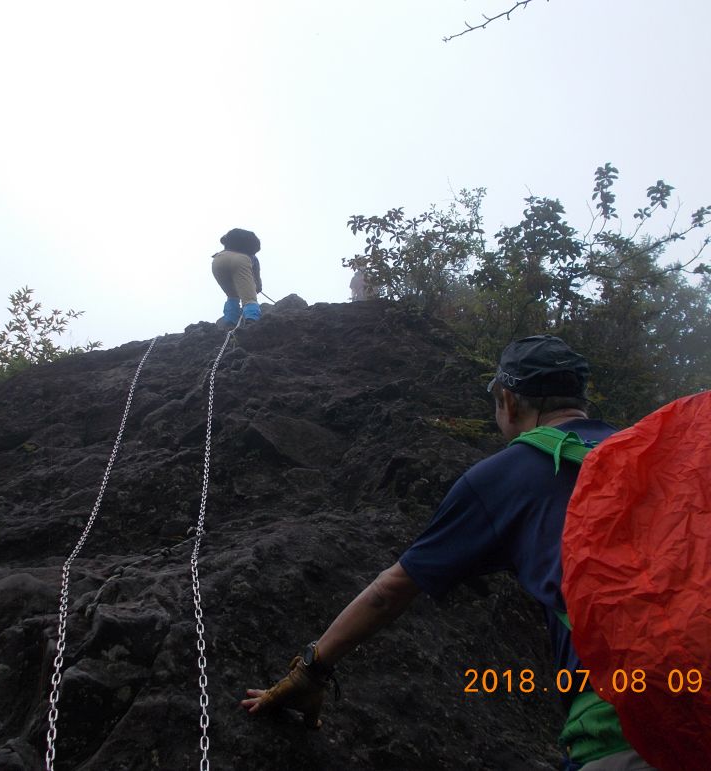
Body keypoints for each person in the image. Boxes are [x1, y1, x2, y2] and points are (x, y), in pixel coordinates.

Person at [241, 335, 655, 770]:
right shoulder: (649, 453)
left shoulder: (505, 476)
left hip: (629, 725)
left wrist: (311, 670)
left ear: (509, 401)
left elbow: (392, 590)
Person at [212, 228, 263, 324]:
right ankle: (252, 319)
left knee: (232, 295)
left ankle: (230, 321)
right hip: (240, 261)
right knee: (249, 297)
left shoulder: (226, 248)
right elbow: (256, 272)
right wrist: (258, 286)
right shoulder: (250, 256)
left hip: (218, 260)